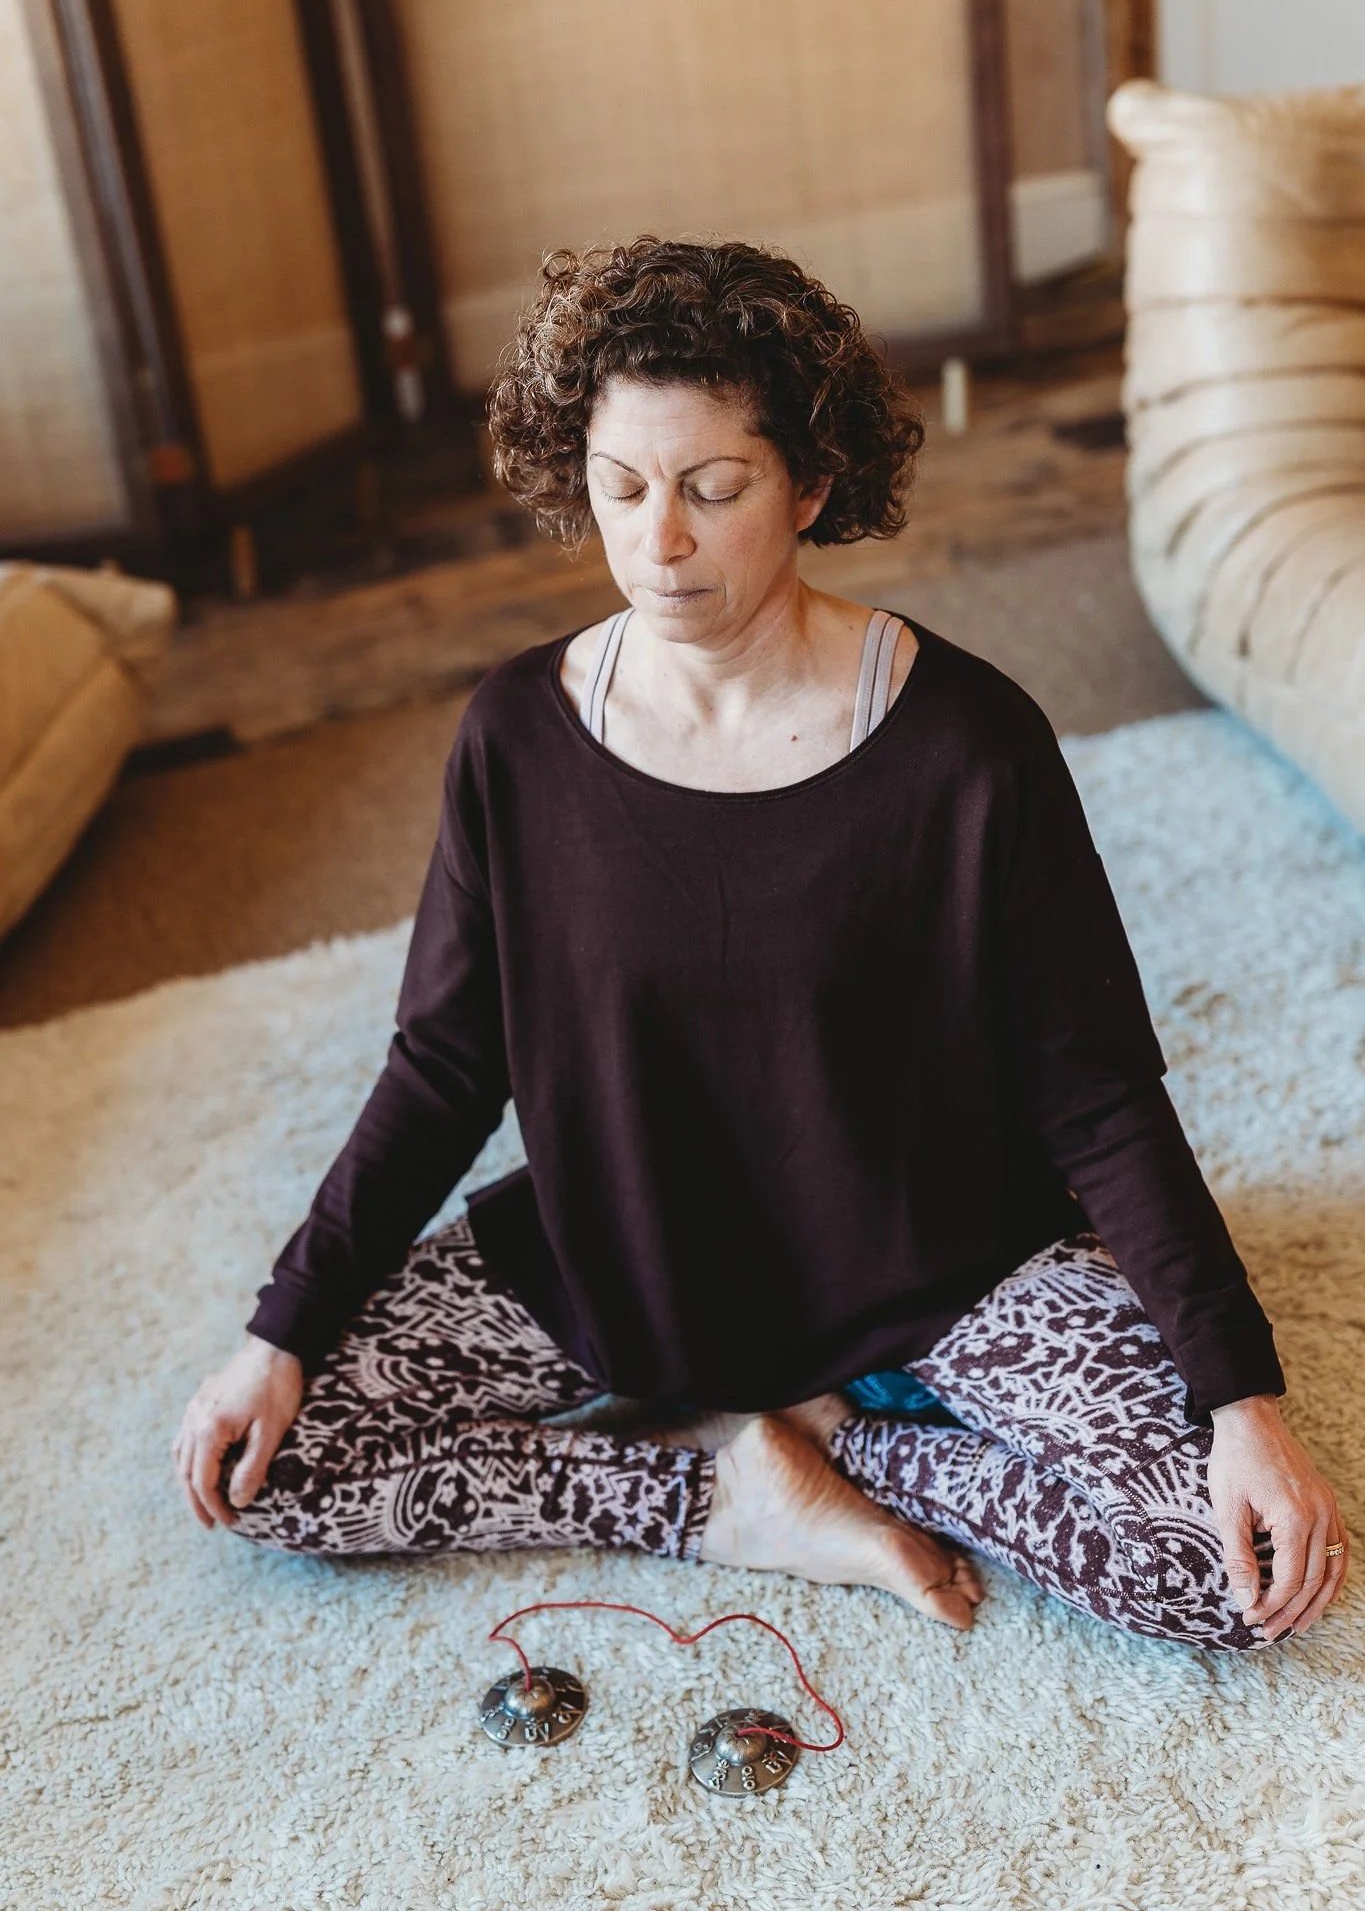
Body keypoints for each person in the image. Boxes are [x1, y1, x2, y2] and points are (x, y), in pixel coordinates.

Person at [172, 234, 1348, 1650]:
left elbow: (1093, 1089)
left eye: (710, 489)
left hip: (943, 1268)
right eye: (619, 489)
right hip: (626, 1256)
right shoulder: (513, 738)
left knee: (1217, 1569)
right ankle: (727, 1493)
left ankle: (842, 1439)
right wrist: (278, 1333)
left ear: (811, 485)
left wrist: (1239, 1401)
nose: (656, 542)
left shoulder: (967, 743)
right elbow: (443, 1065)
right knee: (269, 1470)